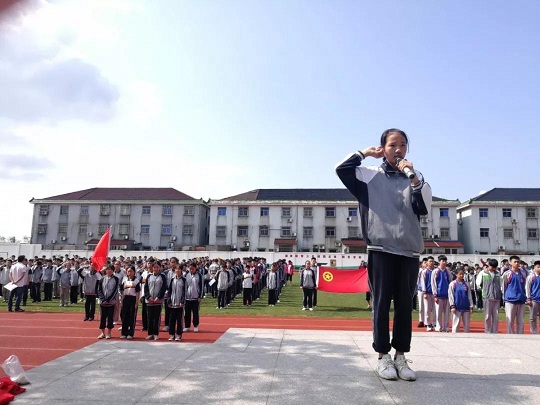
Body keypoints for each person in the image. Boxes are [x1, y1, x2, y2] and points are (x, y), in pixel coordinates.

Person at [336, 128, 432, 381]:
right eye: (392, 145)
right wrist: (364, 153)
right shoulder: (369, 175)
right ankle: (383, 356)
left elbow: (422, 207)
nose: (398, 149)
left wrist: (413, 180)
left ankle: (401, 356)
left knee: (404, 305)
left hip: (409, 250)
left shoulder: (416, 176)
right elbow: (342, 170)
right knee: (380, 304)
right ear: (383, 148)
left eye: (403, 145)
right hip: (381, 249)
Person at [501, 255, 527, 334]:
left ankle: (520, 337)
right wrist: (504, 298)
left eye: (518, 262)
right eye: (514, 262)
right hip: (510, 300)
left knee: (521, 321)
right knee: (510, 321)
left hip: (521, 300)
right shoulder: (507, 274)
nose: (516, 263)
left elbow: (525, 285)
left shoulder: (523, 273)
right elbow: (503, 286)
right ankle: (510, 337)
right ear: (510, 263)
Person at [476, 259, 502, 333]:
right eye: (492, 267)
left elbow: (501, 284)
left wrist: (500, 291)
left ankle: (495, 331)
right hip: (487, 297)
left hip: (496, 297)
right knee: (487, 316)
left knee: (496, 316)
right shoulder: (483, 273)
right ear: (488, 265)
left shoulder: (498, 273)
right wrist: (483, 290)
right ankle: (487, 331)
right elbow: (478, 283)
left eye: (495, 267)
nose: (493, 268)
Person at [145, 261, 167, 340]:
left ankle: (155, 333)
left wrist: (158, 297)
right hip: (149, 301)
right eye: (154, 267)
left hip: (158, 301)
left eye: (157, 267)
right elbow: (146, 288)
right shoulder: (149, 276)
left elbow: (163, 288)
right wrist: (148, 297)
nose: (156, 269)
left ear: (160, 268)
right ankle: (150, 333)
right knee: (150, 317)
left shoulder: (162, 276)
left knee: (156, 317)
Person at [97, 264, 119, 339]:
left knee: (110, 318)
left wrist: (109, 299)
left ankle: (109, 333)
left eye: (110, 269)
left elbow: (115, 290)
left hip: (111, 302)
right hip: (103, 302)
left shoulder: (116, 279)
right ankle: (102, 333)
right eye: (107, 269)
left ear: (113, 270)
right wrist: (103, 299)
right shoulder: (102, 279)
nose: (109, 271)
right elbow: (99, 290)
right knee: (102, 317)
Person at [431, 255, 452, 332]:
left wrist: (450, 294)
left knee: (447, 313)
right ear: (439, 261)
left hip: (447, 295)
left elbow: (450, 283)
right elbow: (433, 283)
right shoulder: (435, 271)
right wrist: (435, 295)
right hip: (439, 295)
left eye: (445, 261)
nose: (444, 262)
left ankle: (446, 327)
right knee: (438, 313)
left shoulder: (448, 272)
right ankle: (439, 327)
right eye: (443, 261)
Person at [448, 269, 473, 333]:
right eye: (460, 274)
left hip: (466, 307)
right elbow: (451, 296)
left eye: (463, 274)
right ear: (456, 274)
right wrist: (452, 306)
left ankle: (467, 338)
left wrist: (471, 306)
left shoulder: (467, 284)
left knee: (467, 325)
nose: (462, 275)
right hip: (457, 307)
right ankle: (454, 337)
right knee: (456, 324)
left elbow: (470, 296)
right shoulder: (453, 284)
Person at [167, 263, 186, 341]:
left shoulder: (184, 280)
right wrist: (169, 300)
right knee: (172, 320)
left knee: (179, 320)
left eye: (179, 269)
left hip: (179, 303)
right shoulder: (172, 279)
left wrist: (182, 301)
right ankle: (172, 334)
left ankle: (179, 334)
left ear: (181, 270)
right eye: (176, 269)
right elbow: (169, 291)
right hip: (172, 302)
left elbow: (184, 292)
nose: (177, 270)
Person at [120, 266, 140, 339]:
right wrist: (121, 301)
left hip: (133, 299)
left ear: (134, 272)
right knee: (124, 316)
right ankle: (124, 333)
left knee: (132, 317)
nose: (129, 272)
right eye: (128, 271)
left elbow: (138, 292)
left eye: (131, 271)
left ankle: (130, 333)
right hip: (125, 298)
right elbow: (122, 291)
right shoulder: (124, 280)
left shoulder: (136, 281)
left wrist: (136, 303)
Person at [183, 262, 203, 333]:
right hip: (187, 297)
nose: (191, 270)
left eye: (192, 268)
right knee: (187, 313)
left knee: (195, 313)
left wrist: (200, 296)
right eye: (190, 268)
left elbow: (201, 286)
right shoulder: (186, 275)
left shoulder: (199, 275)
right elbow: (184, 286)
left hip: (195, 297)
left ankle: (195, 325)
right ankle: (187, 326)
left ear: (195, 268)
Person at [525, 260, 540, 334]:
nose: (539, 268)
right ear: (534, 267)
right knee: (532, 317)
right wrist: (528, 298)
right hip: (534, 300)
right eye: (538, 267)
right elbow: (527, 288)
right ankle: (534, 332)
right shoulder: (531, 277)